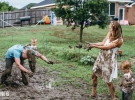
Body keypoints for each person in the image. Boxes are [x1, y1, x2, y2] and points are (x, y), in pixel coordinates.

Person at [86, 21, 123, 100]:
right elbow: (103, 43)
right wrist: (92, 44)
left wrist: (94, 46)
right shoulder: (110, 34)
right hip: (101, 58)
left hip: (108, 62)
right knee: (94, 75)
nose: (109, 29)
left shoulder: (119, 40)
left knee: (108, 81)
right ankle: (93, 93)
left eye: (111, 28)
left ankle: (114, 97)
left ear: (116, 29)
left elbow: (107, 47)